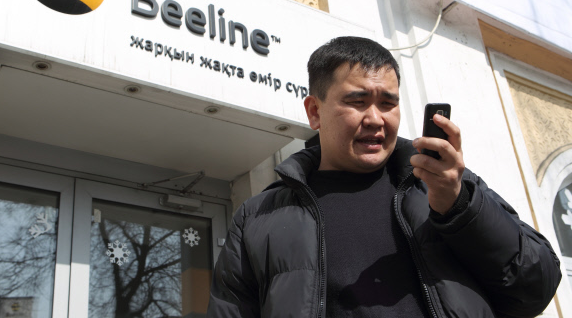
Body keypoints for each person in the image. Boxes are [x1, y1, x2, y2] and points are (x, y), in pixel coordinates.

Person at [206, 36, 561, 317]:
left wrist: (459, 208)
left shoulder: (446, 185)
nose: (376, 119)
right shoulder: (258, 218)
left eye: (388, 103)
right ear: (315, 112)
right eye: (357, 101)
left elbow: (536, 288)